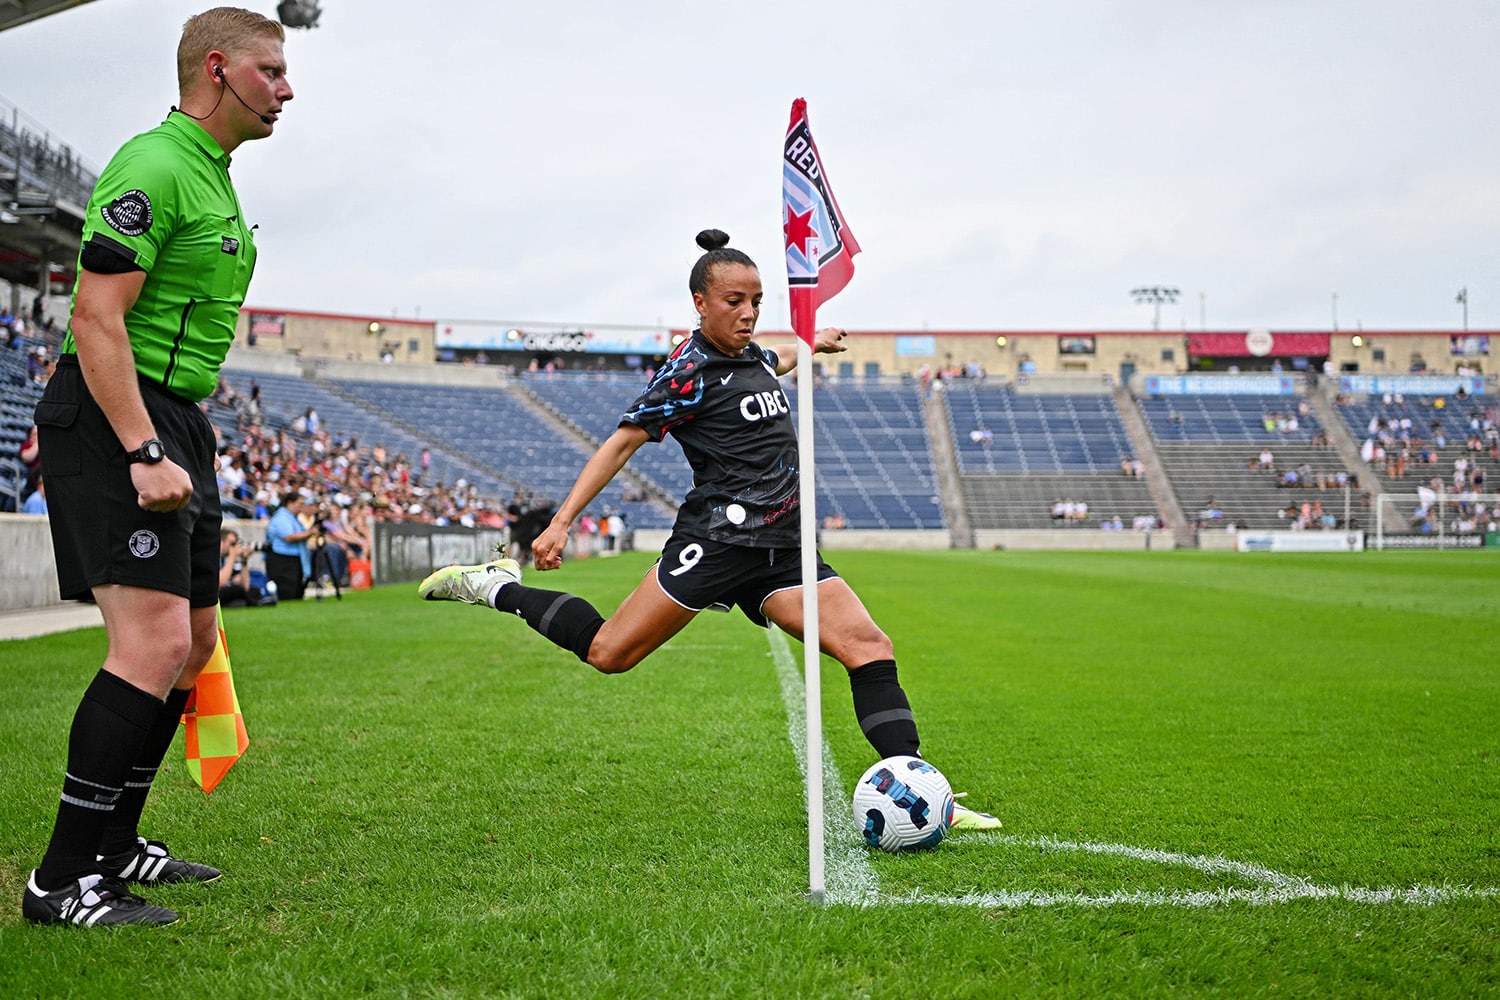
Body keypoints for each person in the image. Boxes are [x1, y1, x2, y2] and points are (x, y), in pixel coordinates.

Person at [418, 229, 999, 832]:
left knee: (870, 647)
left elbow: (779, 357)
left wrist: (812, 341)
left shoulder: (753, 354)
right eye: (733, 301)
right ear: (700, 302)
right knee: (609, 653)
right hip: (717, 543)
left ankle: (927, 798)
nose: (747, 312)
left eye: (757, 300)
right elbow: (621, 445)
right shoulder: (686, 372)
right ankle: (493, 586)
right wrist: (562, 522)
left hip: (785, 548)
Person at [23, 7, 293, 927]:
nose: (287, 89)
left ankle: (115, 846)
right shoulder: (155, 164)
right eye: (271, 71)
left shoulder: (211, 176)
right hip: (117, 415)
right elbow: (97, 318)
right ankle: (61, 880)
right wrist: (142, 448)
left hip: (178, 416)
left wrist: (172, 437)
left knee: (193, 645)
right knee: (148, 645)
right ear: (217, 69)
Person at [265, 491, 315, 601]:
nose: (301, 507)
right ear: (290, 503)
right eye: (299, 504)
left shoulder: (293, 517)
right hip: (282, 558)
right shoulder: (282, 517)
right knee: (287, 591)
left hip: (294, 557)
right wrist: (309, 533)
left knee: (296, 589)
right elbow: (288, 537)